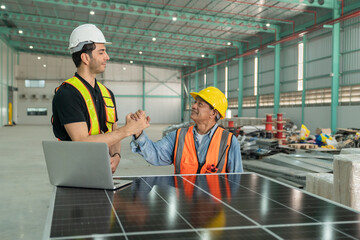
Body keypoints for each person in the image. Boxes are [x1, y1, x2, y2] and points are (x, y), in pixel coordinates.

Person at [52, 24, 149, 173]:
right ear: (85, 57)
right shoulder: (67, 94)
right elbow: (81, 141)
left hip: (101, 170)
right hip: (75, 173)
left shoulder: (107, 94)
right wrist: (127, 130)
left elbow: (112, 130)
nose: (107, 57)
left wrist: (116, 155)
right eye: (101, 52)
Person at [130, 86, 243, 174]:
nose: (193, 106)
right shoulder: (178, 136)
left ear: (213, 113)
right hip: (183, 200)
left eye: (200, 104)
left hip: (214, 202)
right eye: (195, 102)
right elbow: (154, 154)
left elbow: (236, 178)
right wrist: (138, 132)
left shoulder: (229, 141)